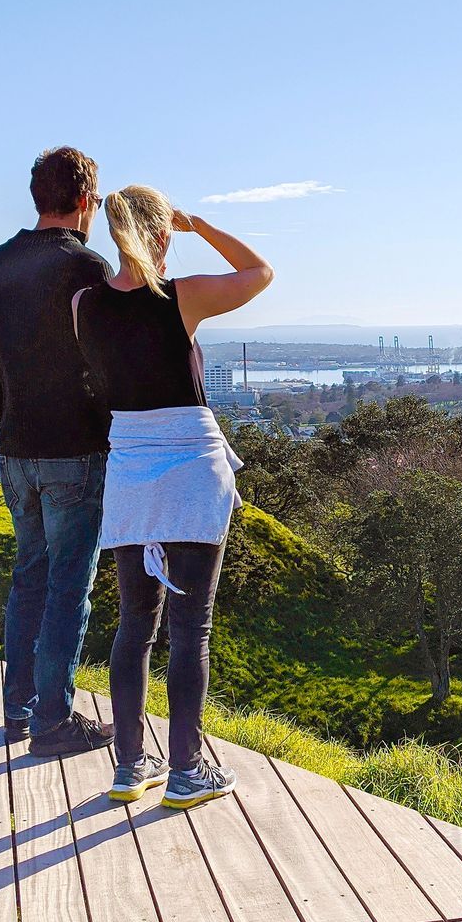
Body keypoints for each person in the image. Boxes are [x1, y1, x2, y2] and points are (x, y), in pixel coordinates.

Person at [73, 185, 273, 807]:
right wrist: (202, 224)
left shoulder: (85, 304)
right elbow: (259, 272)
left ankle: (130, 766)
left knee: (135, 623)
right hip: (190, 462)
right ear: (162, 235)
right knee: (192, 627)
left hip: (129, 465)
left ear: (113, 234)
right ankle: (187, 770)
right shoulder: (179, 297)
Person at [0, 146, 115, 757]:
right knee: (68, 584)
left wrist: (14, 419)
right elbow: (109, 359)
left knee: (28, 576)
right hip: (75, 447)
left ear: (37, 197)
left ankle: (17, 710)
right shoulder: (87, 269)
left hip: (15, 446)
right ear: (84, 200)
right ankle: (54, 720)